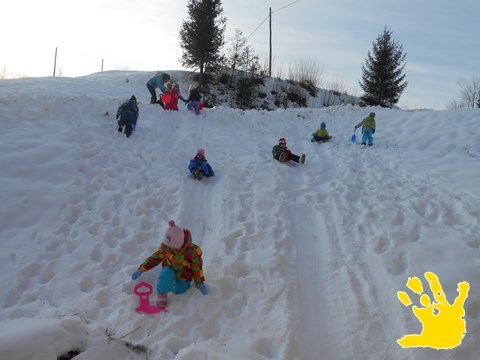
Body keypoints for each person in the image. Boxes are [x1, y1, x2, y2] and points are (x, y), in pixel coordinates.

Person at [131, 220, 207, 308]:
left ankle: (174, 282)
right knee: (164, 274)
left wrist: (199, 282)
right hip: (170, 268)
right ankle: (161, 296)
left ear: (179, 244)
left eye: (171, 246)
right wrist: (142, 268)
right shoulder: (166, 247)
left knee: (179, 290)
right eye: (167, 244)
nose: (168, 247)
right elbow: (155, 258)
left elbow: (197, 268)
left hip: (184, 274)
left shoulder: (193, 251)